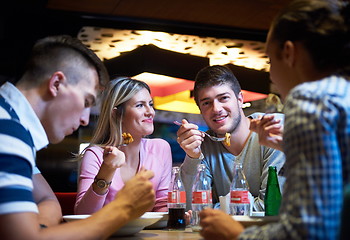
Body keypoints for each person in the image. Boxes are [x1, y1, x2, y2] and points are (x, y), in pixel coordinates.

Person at [199, 0, 350, 239]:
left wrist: (235, 234)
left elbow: (309, 230)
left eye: (269, 59)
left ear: (289, 53)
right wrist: (289, 145)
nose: (271, 74)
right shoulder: (341, 92)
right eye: (206, 102)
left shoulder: (310, 99)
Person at [0, 35, 155, 240]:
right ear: (56, 84)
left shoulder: (14, 126)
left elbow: (48, 200)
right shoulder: (7, 129)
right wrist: (123, 209)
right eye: (86, 101)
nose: (84, 120)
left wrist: (38, 230)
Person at [176, 65, 286, 212]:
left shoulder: (271, 129)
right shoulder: (205, 146)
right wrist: (192, 157)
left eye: (223, 98)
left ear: (240, 99)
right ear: (200, 110)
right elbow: (190, 209)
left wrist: (215, 208)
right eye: (207, 103)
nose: (216, 109)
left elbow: (271, 207)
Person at [75, 77, 172, 214]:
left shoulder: (160, 148)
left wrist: (175, 216)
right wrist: (107, 170)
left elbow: (162, 205)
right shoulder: (95, 154)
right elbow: (83, 214)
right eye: (140, 105)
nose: (150, 112)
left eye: (150, 104)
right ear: (116, 114)